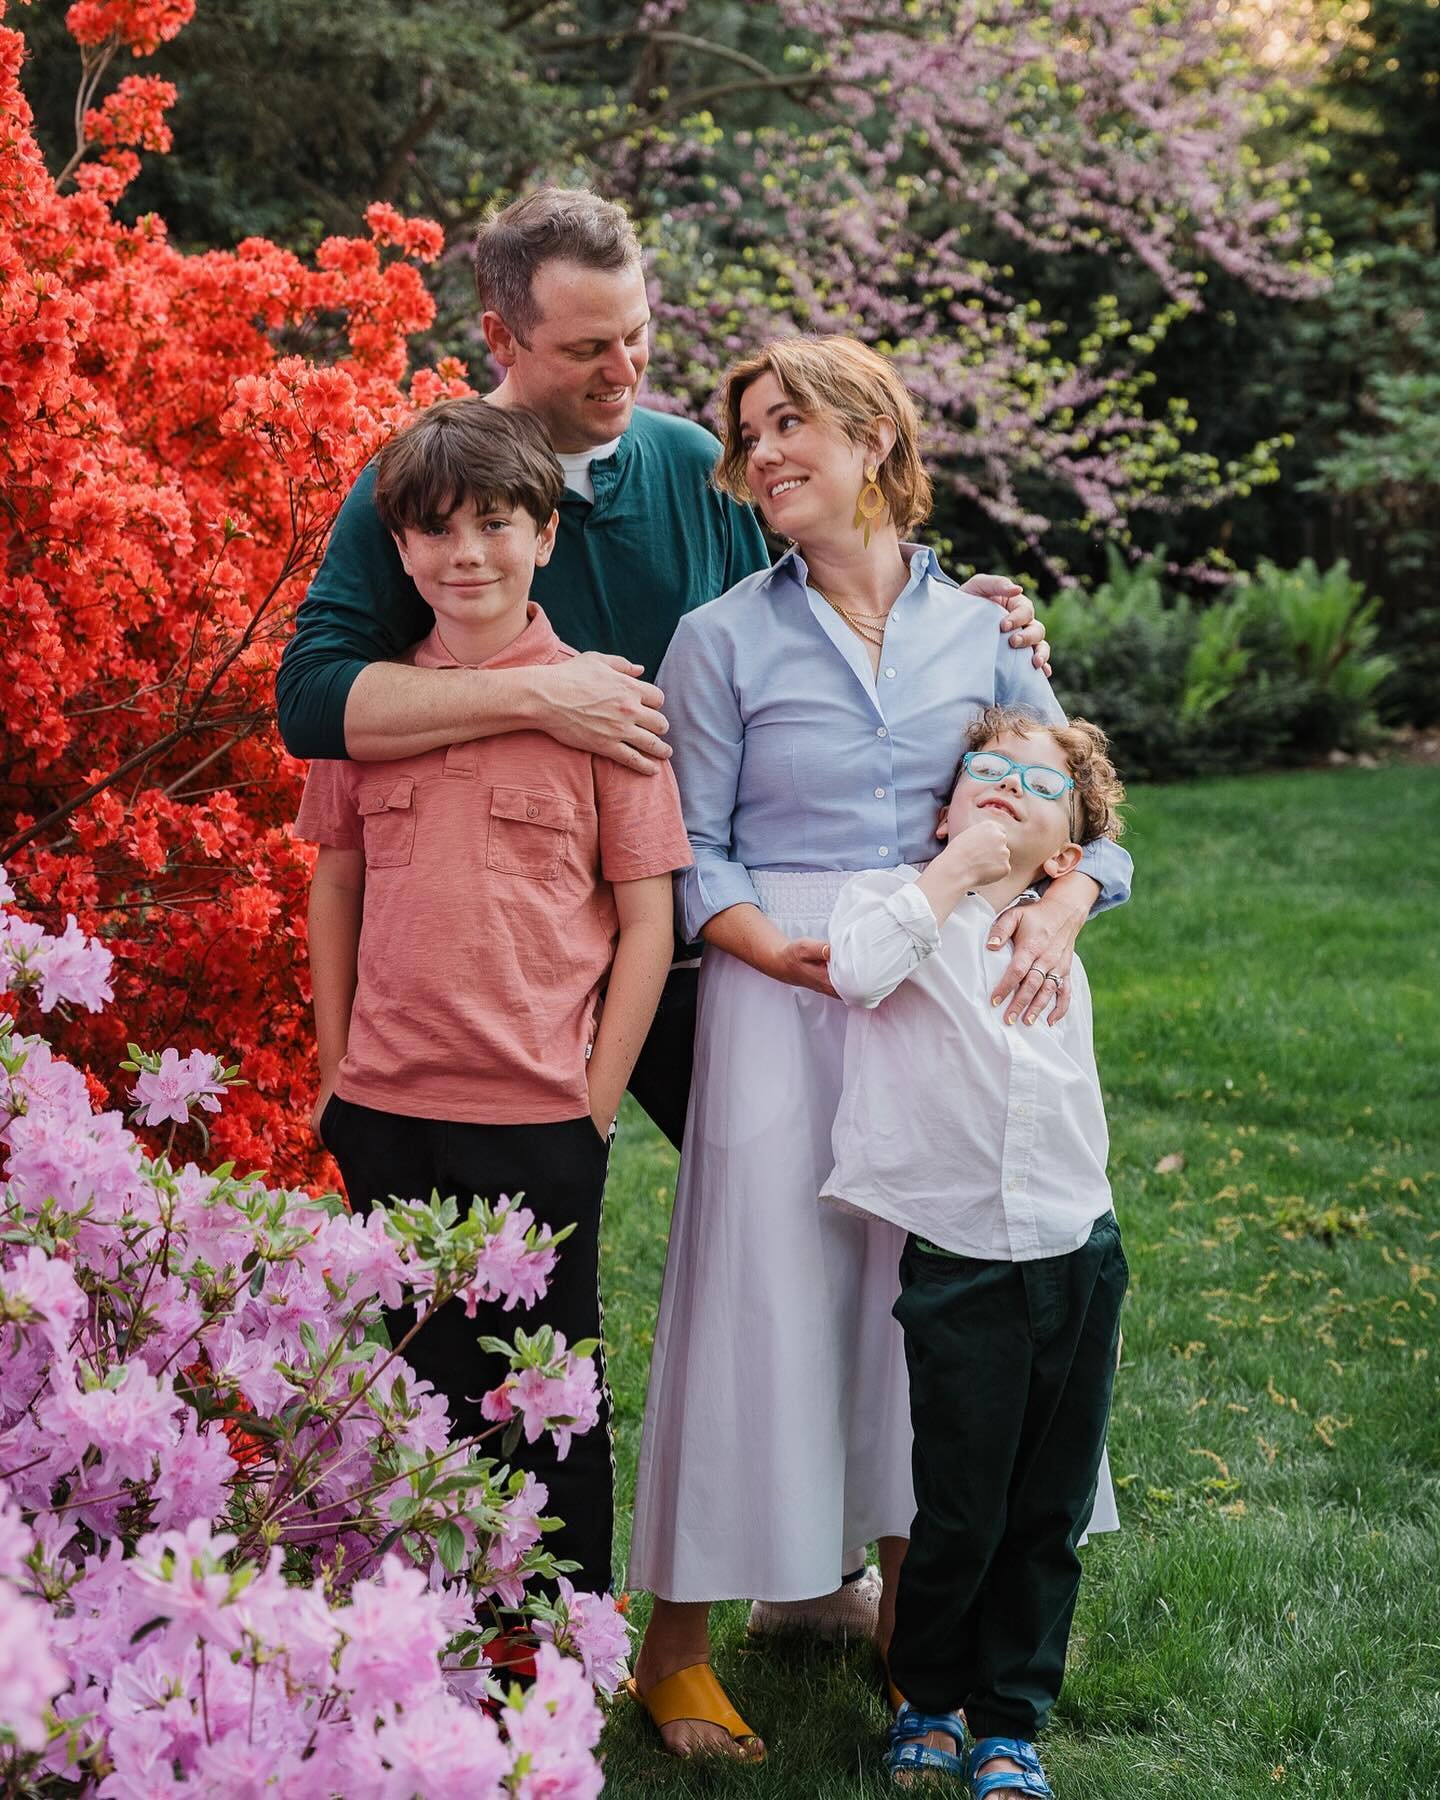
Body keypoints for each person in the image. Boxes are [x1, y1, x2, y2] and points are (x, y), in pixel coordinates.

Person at [275, 185, 1051, 1151]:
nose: (625, 369)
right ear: (500, 337)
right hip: (511, 949)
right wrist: (543, 695)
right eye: (586, 349)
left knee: (816, 1180)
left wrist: (947, 616)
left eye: (636, 333)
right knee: (521, 1244)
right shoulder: (433, 489)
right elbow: (309, 700)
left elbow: (802, 619)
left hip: (688, 929)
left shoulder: (689, 463)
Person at [626, 336, 1133, 1761]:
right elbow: (691, 851)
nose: (766, 453)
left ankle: (927, 1641)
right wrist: (757, 947)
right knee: (757, 1305)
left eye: (793, 424)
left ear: (873, 438)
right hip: (780, 1002)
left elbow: (1084, 817)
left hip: (949, 1009)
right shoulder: (719, 636)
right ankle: (674, 1650)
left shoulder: (988, 636)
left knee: (933, 1312)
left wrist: (1073, 905)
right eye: (750, 434)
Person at [293, 400, 692, 1598]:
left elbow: (648, 923)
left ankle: (554, 1656)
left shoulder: (606, 710)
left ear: (546, 537)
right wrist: (331, 1077)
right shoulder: (367, 712)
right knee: (412, 1393)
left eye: (497, 524)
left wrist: (597, 1100)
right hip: (386, 1105)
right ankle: (427, 1648)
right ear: (400, 550)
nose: (467, 553)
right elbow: (335, 886)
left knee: (548, 1402)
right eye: (437, 531)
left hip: (538, 1118)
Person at [819, 706, 1128, 1794]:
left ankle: (1009, 1721)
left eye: (1037, 785)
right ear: (946, 804)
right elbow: (856, 971)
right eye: (985, 771)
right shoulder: (895, 902)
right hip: (960, 1257)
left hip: (1077, 1244)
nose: (1005, 786)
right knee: (958, 1501)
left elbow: (1103, 863)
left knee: (1047, 1508)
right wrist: (952, 871)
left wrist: (1068, 897)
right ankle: (930, 1697)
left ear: (1072, 850)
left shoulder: (1060, 916)